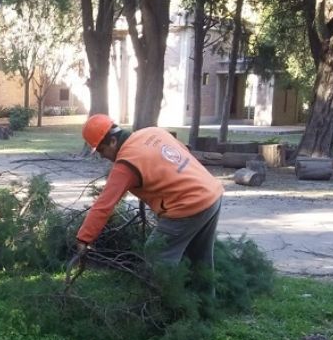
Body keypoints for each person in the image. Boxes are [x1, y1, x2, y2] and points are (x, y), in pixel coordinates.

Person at [76, 114, 224, 277]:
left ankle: (166, 299)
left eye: (101, 150)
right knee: (200, 261)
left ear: (113, 141)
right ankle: (208, 301)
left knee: (156, 254)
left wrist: (84, 239)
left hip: (187, 207)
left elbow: (104, 205)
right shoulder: (152, 132)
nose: (102, 156)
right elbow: (182, 152)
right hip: (211, 194)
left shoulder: (126, 164)